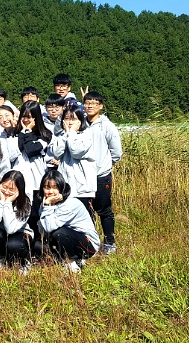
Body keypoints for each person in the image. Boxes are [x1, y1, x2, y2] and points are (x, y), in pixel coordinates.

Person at [83, 91, 123, 255]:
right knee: (86, 210)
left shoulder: (107, 126)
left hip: (101, 176)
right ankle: (90, 242)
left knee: (104, 210)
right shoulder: (80, 123)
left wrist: (104, 166)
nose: (90, 106)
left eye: (94, 103)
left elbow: (116, 153)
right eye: (87, 103)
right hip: (83, 176)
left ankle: (109, 242)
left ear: (101, 106)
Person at [37, 170, 100, 274]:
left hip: (88, 245)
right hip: (70, 238)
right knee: (38, 245)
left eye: (55, 187)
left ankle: (71, 265)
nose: (50, 191)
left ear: (61, 188)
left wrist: (47, 205)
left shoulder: (69, 203)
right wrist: (46, 206)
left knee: (59, 233)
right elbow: (42, 230)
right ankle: (71, 259)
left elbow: (49, 227)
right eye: (47, 187)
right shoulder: (47, 203)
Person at [9, 101, 52, 241]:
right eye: (24, 116)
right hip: (19, 179)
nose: (26, 120)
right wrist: (22, 132)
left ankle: (38, 243)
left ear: (36, 117)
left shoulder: (45, 134)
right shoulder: (14, 133)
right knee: (20, 212)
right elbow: (15, 150)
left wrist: (26, 132)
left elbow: (30, 149)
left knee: (35, 214)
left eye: (29, 116)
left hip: (36, 180)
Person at [0, 170, 33, 274]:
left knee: (14, 245)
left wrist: (8, 203)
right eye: (4, 187)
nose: (7, 192)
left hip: (18, 233)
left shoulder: (25, 202)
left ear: (19, 190)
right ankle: (0, 259)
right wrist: (1, 202)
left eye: (11, 189)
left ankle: (21, 262)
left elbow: (11, 229)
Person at [49, 105, 97, 216]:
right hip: (66, 185)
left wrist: (71, 133)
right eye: (66, 119)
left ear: (80, 120)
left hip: (82, 188)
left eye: (74, 119)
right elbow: (56, 153)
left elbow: (76, 151)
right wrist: (66, 134)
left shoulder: (87, 134)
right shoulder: (62, 135)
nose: (70, 122)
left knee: (83, 218)